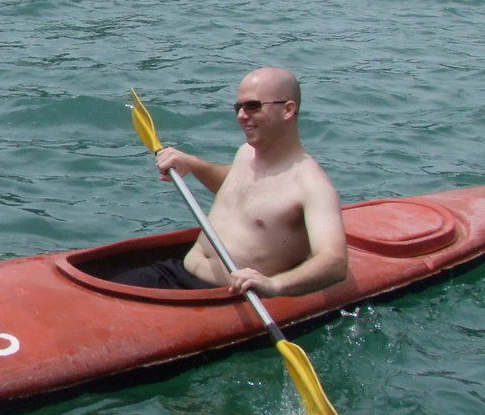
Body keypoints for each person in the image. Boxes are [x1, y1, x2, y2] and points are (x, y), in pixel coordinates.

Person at [128, 67, 348, 298]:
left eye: (253, 106)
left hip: (226, 296)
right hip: (176, 273)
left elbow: (334, 261)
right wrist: (192, 164)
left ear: (288, 109)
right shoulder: (246, 153)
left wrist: (273, 285)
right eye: (238, 107)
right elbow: (236, 190)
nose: (241, 115)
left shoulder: (311, 185)